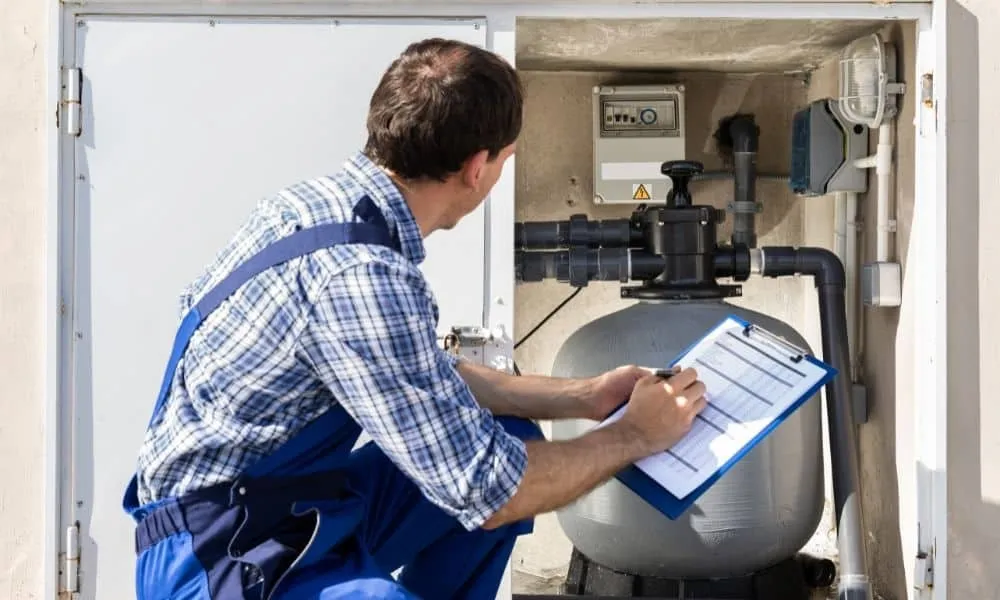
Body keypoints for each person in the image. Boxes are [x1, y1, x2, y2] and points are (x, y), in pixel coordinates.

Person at [122, 37, 708, 600]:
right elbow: (488, 491)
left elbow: (414, 374)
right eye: (505, 161)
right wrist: (636, 435)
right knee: (497, 478)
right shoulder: (362, 274)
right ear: (478, 168)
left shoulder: (312, 205)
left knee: (509, 436)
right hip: (224, 556)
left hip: (290, 506)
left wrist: (582, 397)